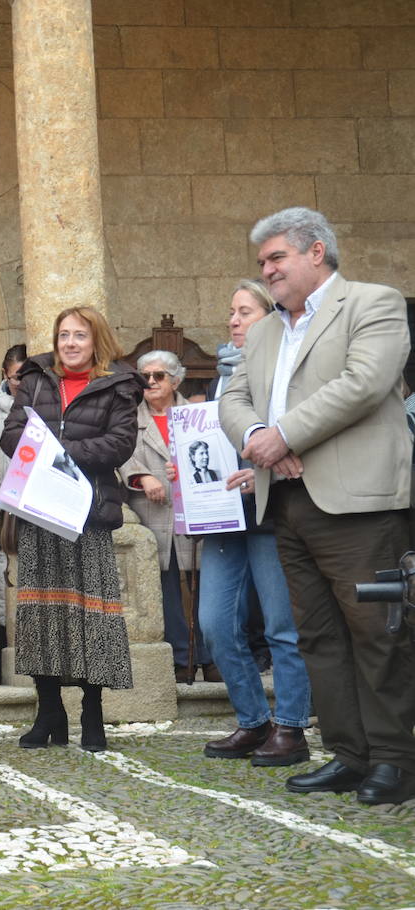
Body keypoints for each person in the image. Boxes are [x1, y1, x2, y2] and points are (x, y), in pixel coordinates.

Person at [220, 206, 415, 806]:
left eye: (276, 257)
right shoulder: (265, 331)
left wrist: (283, 436)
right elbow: (233, 398)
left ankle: (395, 760)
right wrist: (259, 437)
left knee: (378, 633)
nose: (267, 270)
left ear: (316, 251)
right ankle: (349, 754)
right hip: (287, 500)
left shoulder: (373, 303)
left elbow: (363, 384)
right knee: (319, 636)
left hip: (359, 504)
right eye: (262, 262)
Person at [1, 306, 143, 754]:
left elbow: (120, 443)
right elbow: (11, 434)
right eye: (63, 335)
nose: (70, 343)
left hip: (88, 515)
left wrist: (58, 451)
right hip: (40, 511)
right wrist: (43, 451)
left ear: (96, 340)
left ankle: (92, 711)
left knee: (90, 617)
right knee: (40, 616)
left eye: (79, 335)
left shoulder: (118, 385)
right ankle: (49, 712)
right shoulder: (37, 378)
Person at [197, 279, 312, 768]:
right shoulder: (219, 380)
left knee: (282, 626)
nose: (234, 320)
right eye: (231, 312)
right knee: (215, 624)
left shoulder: (287, 369)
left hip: (271, 512)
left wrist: (261, 472)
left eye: (244, 311)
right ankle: (253, 720)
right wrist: (189, 475)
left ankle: (291, 727)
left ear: (269, 317)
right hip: (223, 518)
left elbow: (298, 433)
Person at [121, 351, 216, 684]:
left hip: (195, 511)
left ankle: (210, 657)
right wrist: (143, 476)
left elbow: (212, 455)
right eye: (145, 376)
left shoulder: (197, 415)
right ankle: (181, 657)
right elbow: (123, 456)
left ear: (175, 381)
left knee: (204, 586)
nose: (150, 382)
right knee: (167, 589)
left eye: (158, 376)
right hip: (153, 513)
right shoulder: (130, 418)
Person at [0, 344, 26, 685]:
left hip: (34, 505)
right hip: (0, 507)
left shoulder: (42, 407)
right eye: (15, 378)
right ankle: (3, 652)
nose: (20, 384)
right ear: (4, 375)